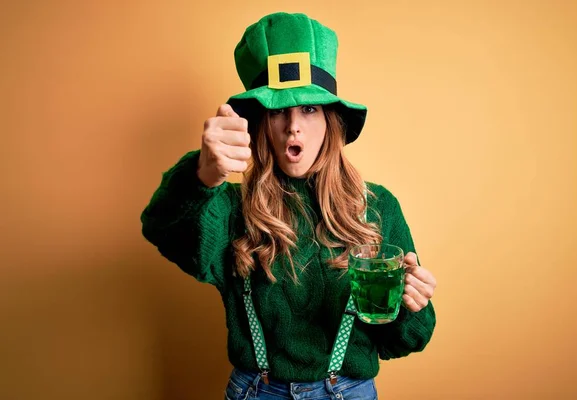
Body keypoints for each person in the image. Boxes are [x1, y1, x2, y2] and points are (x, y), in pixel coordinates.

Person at [141, 12, 437, 400]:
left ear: (332, 121)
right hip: (256, 391)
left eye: (309, 109)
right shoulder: (230, 208)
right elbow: (161, 228)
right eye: (279, 110)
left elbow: (402, 341)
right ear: (261, 123)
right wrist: (203, 174)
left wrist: (411, 305)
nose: (293, 126)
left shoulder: (377, 207)